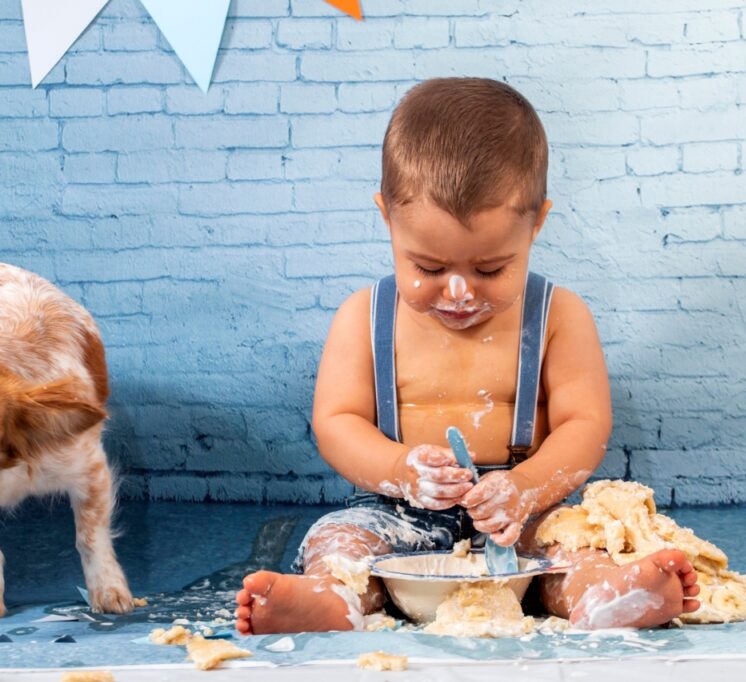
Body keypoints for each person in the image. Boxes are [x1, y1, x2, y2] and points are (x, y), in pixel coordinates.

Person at [235, 78, 700, 634]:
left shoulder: (558, 316)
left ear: (537, 223)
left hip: (524, 514)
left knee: (573, 547)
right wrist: (400, 470)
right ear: (387, 217)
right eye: (429, 268)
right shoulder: (364, 316)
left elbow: (585, 423)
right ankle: (330, 599)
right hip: (395, 514)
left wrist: (526, 487)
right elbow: (337, 422)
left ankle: (605, 594)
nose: (458, 292)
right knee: (340, 541)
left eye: (490, 269)